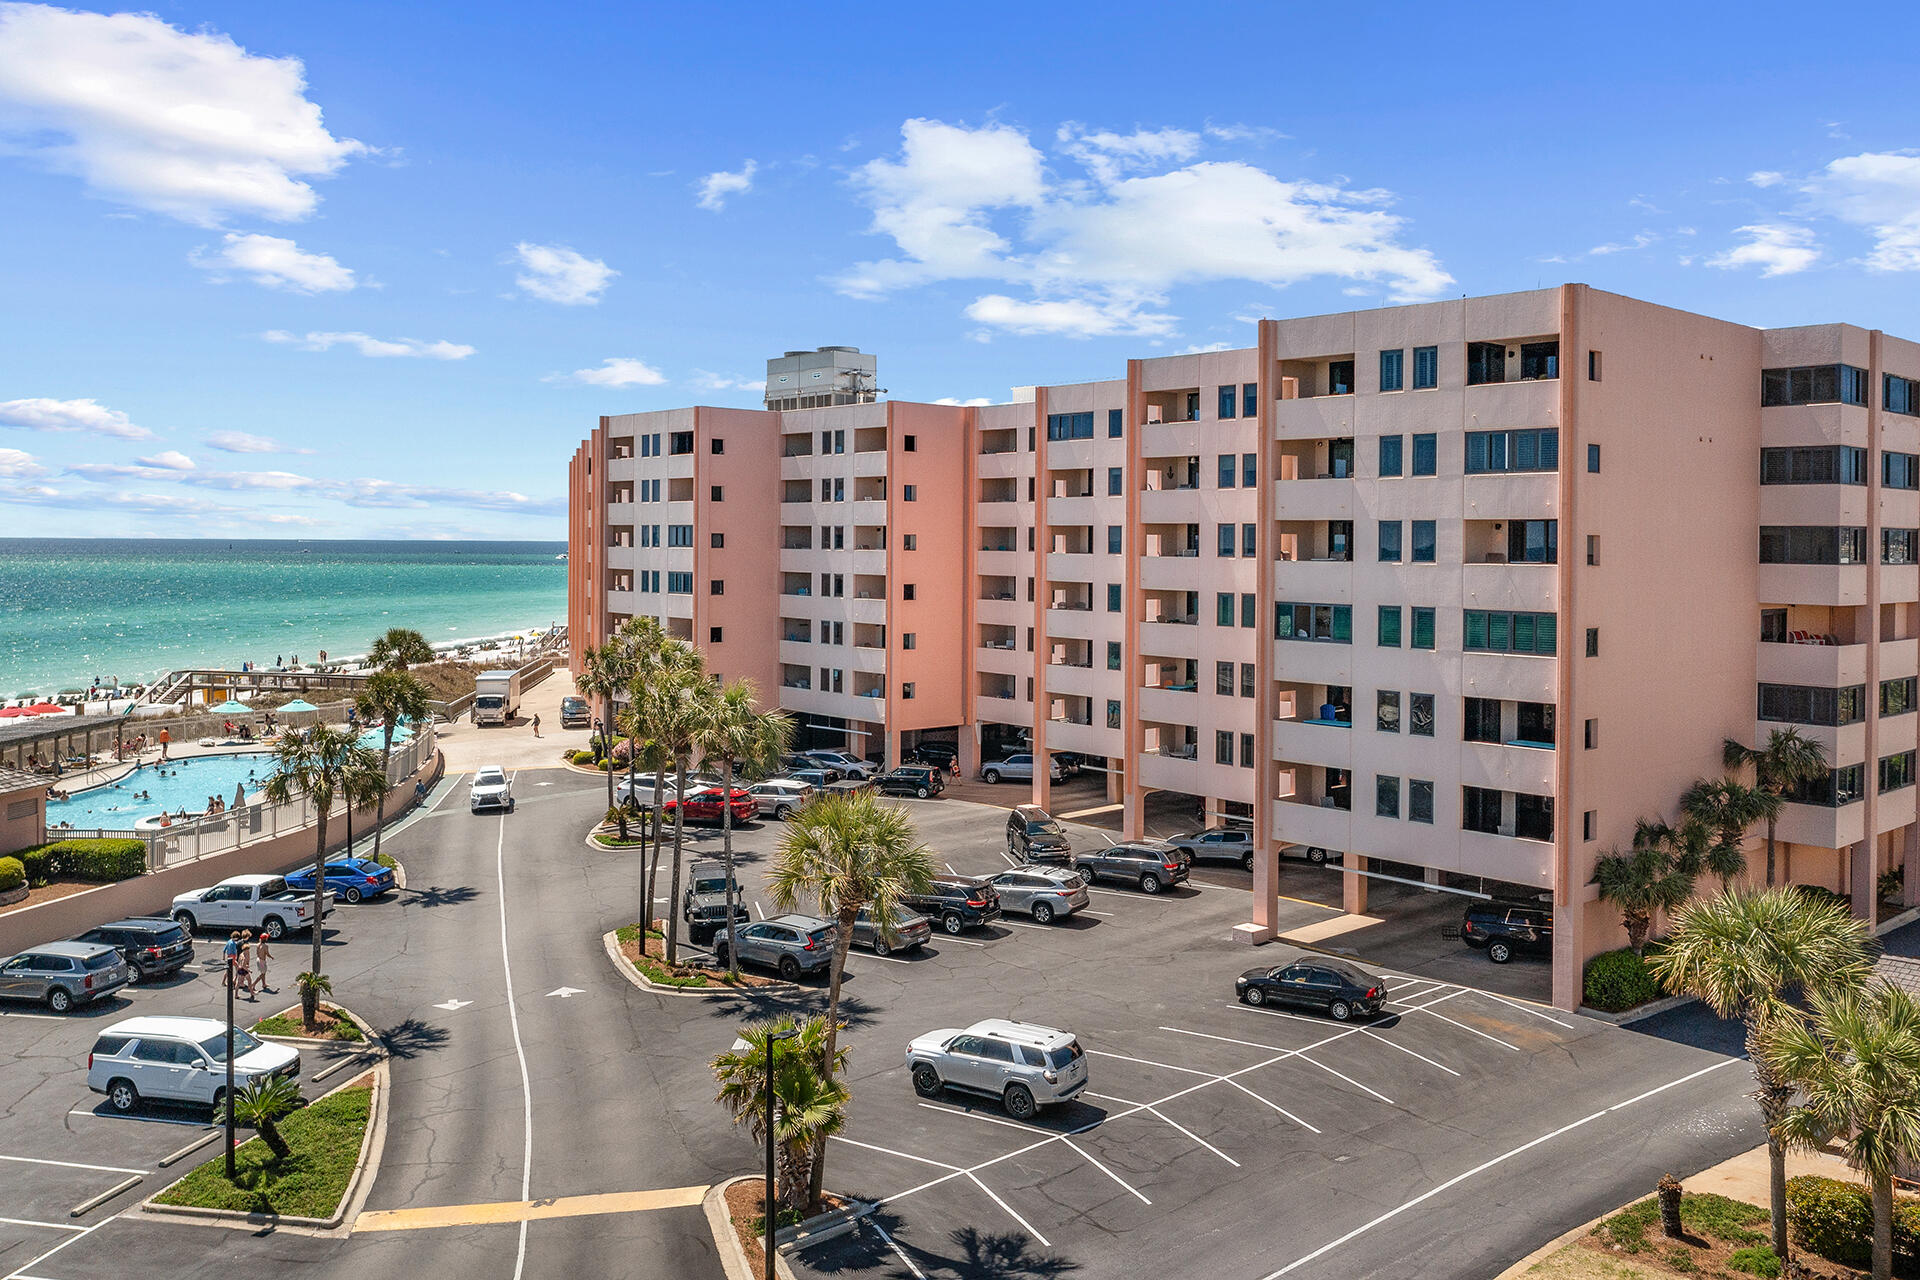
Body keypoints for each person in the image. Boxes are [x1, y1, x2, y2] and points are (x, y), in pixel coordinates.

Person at [235, 930, 254, 999]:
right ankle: (252, 993)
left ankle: (236, 994)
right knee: (249, 981)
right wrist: (249, 970)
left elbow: (239, 962)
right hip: (243, 970)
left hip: (240, 969)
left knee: (239, 982)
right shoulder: (245, 957)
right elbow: (243, 965)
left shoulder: (241, 954)